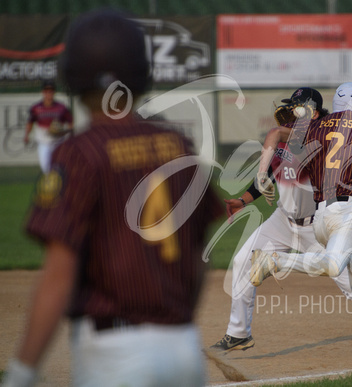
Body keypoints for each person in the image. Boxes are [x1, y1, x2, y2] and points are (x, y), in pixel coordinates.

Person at [1, 9, 222, 387]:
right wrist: (176, 325)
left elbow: (59, 274)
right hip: (183, 348)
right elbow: (200, 255)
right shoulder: (177, 144)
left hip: (114, 355)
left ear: (73, 73)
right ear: (140, 73)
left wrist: (22, 373)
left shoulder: (79, 153)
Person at [211, 87, 352, 358]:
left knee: (350, 280)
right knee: (241, 262)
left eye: (296, 108)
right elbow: (273, 170)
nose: (289, 113)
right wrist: (246, 198)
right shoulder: (293, 138)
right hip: (283, 221)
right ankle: (238, 334)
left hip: (316, 227)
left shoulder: (320, 137)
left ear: (315, 113)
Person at [24, 79, 74, 174]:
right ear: (42, 92)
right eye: (46, 91)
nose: (48, 93)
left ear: (54, 92)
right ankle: (52, 186)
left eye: (51, 91)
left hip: (58, 141)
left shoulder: (61, 108)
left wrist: (69, 133)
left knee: (60, 168)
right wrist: (26, 135)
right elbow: (30, 122)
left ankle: (61, 186)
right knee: (46, 168)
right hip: (44, 142)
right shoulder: (36, 108)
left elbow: (70, 121)